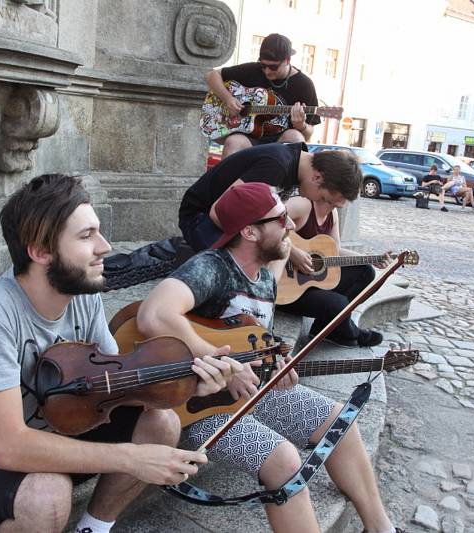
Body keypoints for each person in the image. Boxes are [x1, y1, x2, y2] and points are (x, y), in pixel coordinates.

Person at [0, 174, 241, 532]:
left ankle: (93, 527)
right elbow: (8, 446)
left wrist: (189, 384)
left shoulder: (84, 295)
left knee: (161, 422)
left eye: (99, 232)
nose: (105, 246)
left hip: (66, 428)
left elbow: (115, 387)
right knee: (47, 496)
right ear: (41, 251)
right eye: (86, 236)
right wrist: (130, 458)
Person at [138, 182, 401, 533]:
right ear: (249, 231)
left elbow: (252, 343)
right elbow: (153, 314)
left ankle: (379, 527)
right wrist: (223, 363)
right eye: (281, 218)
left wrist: (273, 362)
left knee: (340, 420)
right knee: (283, 459)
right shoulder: (212, 267)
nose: (291, 225)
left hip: (247, 393)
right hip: (197, 404)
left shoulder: (264, 274)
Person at [179, 142, 361, 253]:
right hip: (199, 218)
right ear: (317, 177)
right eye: (324, 199)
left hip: (225, 223)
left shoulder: (297, 160)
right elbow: (218, 213)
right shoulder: (276, 166)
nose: (322, 205)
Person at [281, 195, 385, 347]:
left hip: (305, 283)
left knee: (365, 271)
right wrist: (293, 252)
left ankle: (325, 329)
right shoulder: (302, 205)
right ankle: (353, 333)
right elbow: (266, 223)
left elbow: (334, 252)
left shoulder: (333, 214)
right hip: (285, 288)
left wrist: (370, 258)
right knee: (339, 303)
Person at [206, 33, 321, 158]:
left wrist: (302, 126)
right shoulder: (252, 70)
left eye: (273, 67)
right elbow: (212, 75)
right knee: (233, 142)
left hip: (280, 141)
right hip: (248, 137)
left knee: (295, 138)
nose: (267, 71)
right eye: (263, 65)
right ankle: (225, 178)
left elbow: (308, 135)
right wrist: (228, 99)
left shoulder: (304, 85)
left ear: (287, 60)